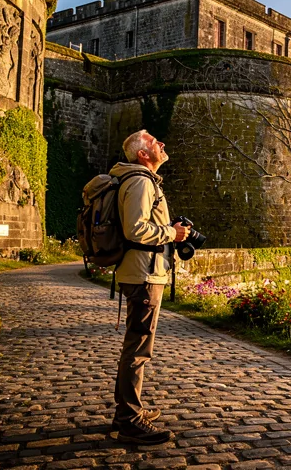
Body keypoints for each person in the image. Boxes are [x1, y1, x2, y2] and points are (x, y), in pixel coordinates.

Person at [108, 129, 190, 445]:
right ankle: (130, 420)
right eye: (156, 142)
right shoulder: (141, 181)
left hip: (144, 272)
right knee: (138, 349)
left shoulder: (140, 179)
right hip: (144, 274)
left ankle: (127, 412)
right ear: (143, 154)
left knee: (137, 346)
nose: (162, 144)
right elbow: (136, 228)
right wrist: (172, 234)